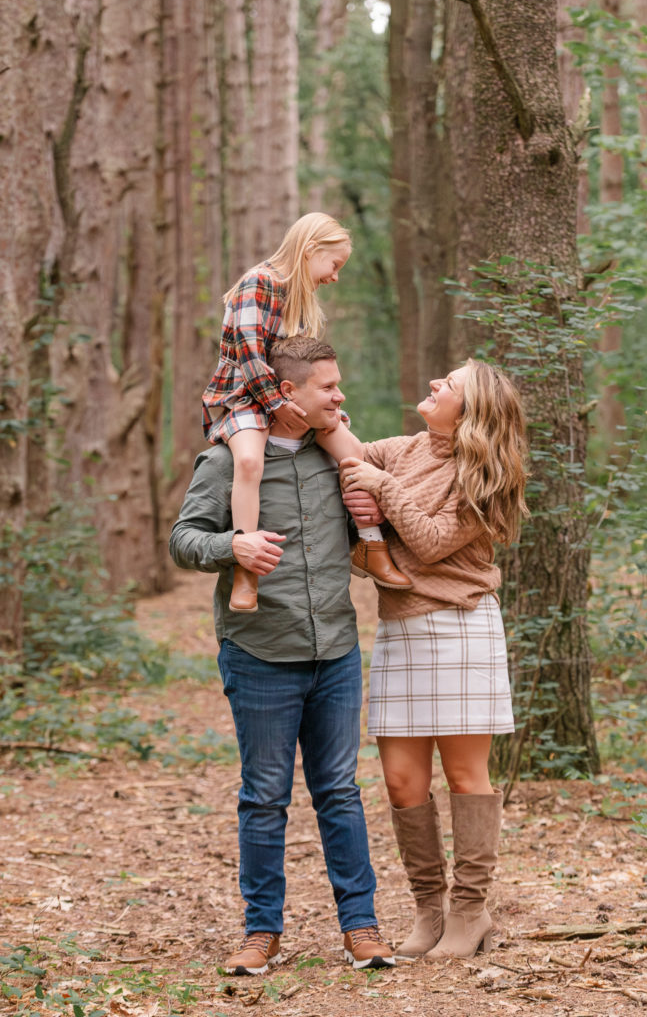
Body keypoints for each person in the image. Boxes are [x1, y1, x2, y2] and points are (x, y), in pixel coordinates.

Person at [170, 336, 395, 975]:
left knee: (340, 794)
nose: (341, 395)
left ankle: (362, 928)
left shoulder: (341, 457)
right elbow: (183, 540)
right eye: (328, 386)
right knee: (265, 797)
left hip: (337, 652)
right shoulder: (227, 461)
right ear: (287, 392)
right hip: (260, 652)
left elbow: (380, 523)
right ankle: (260, 932)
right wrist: (232, 550)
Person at [339, 359, 529, 961]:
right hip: (400, 628)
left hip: (462, 626)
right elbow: (347, 451)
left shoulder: (486, 476)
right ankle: (430, 908)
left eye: (447, 385)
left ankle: (470, 911)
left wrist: (379, 487)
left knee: (465, 776)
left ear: (471, 411)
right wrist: (319, 417)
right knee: (401, 781)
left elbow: (426, 540)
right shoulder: (407, 447)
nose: (432, 385)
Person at [201, 212, 409, 614]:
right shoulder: (258, 283)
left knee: (353, 451)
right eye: (335, 265)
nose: (335, 277)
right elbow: (247, 353)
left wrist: (308, 404)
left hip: (289, 396)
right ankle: (247, 568)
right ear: (311, 250)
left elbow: (305, 363)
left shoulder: (303, 301)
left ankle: (371, 545)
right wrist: (278, 405)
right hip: (245, 395)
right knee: (247, 461)